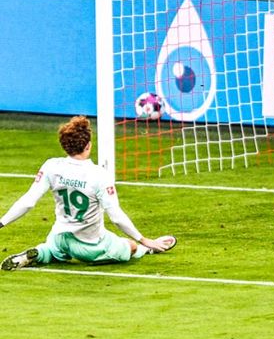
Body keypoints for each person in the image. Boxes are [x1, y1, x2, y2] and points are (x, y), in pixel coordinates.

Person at [0, 116, 176, 271]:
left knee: (52, 250)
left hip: (59, 237)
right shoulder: (99, 175)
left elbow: (28, 201)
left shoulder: (51, 166)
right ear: (88, 145)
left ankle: (38, 254)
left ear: (64, 145)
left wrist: (2, 222)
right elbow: (116, 217)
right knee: (130, 246)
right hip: (90, 245)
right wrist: (143, 239)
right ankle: (149, 248)